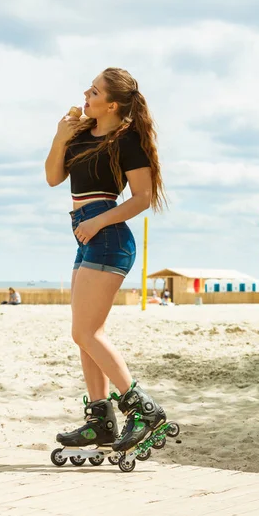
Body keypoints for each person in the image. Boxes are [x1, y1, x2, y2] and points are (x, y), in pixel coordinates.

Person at [45, 67, 168, 453]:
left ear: (112, 104)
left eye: (94, 91)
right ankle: (100, 421)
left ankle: (142, 407)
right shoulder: (81, 134)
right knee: (84, 333)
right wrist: (60, 136)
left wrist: (98, 220)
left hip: (108, 236)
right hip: (86, 236)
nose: (86, 93)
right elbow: (52, 178)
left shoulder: (127, 140)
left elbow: (142, 197)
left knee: (86, 333)